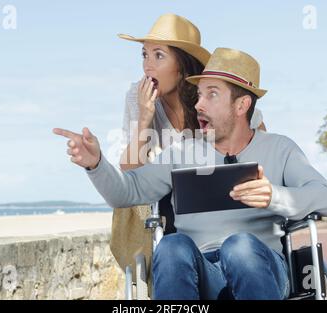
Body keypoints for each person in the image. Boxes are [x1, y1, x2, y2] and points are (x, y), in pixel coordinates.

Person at [53, 48, 327, 300]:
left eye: (211, 94)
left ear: (242, 105)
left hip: (262, 267)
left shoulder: (280, 148)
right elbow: (126, 192)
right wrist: (96, 164)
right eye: (199, 95)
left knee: (238, 246)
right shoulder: (182, 153)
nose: (199, 104)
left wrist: (274, 196)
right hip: (203, 271)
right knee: (172, 245)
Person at [111, 13, 266, 277]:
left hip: (230, 198)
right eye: (144, 55)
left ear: (182, 66)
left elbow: (261, 152)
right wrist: (145, 118)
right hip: (179, 209)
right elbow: (130, 173)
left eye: (158, 56)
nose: (147, 66)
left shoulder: (216, 93)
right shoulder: (137, 98)